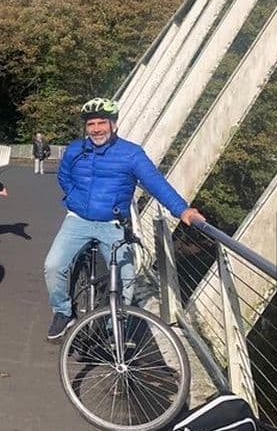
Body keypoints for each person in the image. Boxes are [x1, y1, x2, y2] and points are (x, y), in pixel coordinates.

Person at [44, 97, 204, 340]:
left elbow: (155, 183)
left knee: (126, 276)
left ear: (114, 124)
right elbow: (63, 177)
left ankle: (113, 329)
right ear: (86, 128)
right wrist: (75, 197)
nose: (96, 128)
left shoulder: (131, 154)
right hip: (78, 219)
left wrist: (182, 210)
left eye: (101, 123)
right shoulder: (75, 150)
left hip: (113, 223)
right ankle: (64, 312)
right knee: (53, 265)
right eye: (91, 124)